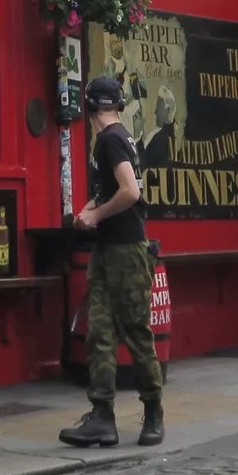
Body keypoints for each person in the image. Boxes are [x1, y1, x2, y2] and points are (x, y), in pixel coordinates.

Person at [59, 76, 163, 449]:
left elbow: (131, 193)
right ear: (117, 104)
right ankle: (102, 416)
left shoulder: (108, 139)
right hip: (108, 250)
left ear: (88, 106)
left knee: (135, 332)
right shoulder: (123, 137)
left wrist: (97, 216)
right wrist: (89, 209)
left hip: (125, 249)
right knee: (99, 332)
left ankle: (153, 412)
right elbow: (115, 187)